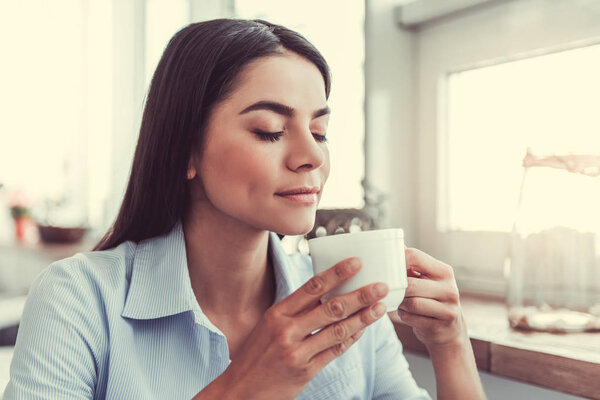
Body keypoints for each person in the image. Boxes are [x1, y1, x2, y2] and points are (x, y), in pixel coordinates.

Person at [5, 19, 485, 399]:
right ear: (186, 150)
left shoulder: (348, 299)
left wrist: (451, 347)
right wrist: (242, 391)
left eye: (319, 132)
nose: (312, 156)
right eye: (270, 130)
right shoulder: (78, 299)